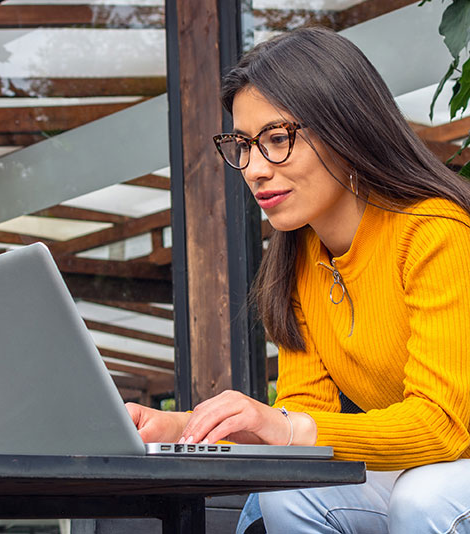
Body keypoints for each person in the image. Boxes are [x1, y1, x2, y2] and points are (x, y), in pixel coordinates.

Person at [126, 26, 470, 533]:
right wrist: (185, 428)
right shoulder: (299, 257)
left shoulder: (436, 233)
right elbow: (302, 413)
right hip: (434, 468)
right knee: (292, 495)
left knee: (424, 499)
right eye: (243, 144)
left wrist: (285, 426)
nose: (254, 169)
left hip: (444, 466)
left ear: (345, 127)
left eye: (277, 140)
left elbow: (442, 427)